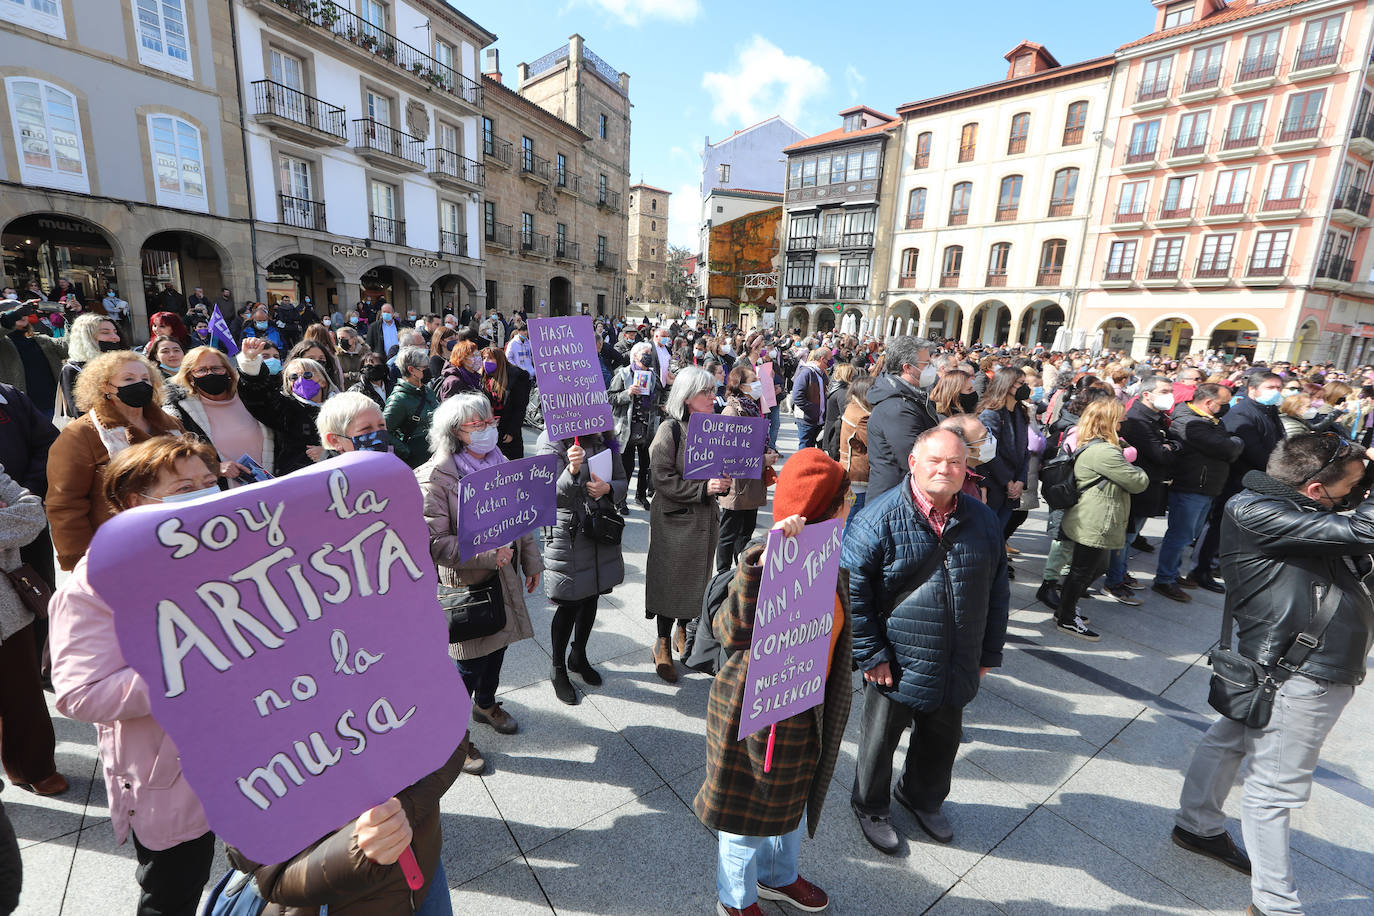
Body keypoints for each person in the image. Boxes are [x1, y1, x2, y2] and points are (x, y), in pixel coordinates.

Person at [1173, 434, 1374, 916]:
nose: (1355, 492)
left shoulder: (1288, 504)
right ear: (1313, 491)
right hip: (1299, 667)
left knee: (1229, 738)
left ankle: (1196, 825)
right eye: (1351, 485)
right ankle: (1275, 905)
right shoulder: (1255, 510)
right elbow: (1363, 532)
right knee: (1274, 788)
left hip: (1288, 661)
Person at [49, 435, 221, 916]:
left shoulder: (234, 551)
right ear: (133, 502)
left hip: (258, 757)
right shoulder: (96, 583)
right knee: (173, 895)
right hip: (171, 772)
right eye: (184, 489)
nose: (204, 495)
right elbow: (80, 694)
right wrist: (189, 672)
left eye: (209, 483)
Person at [695, 450, 854, 916]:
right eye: (844, 499)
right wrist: (761, 562)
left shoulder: (828, 554)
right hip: (756, 712)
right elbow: (730, 629)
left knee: (792, 806)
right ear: (827, 508)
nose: (851, 506)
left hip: (808, 708)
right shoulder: (771, 565)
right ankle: (736, 899)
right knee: (744, 820)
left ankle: (779, 878)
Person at [844, 427, 1008, 853]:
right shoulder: (877, 518)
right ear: (913, 463)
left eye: (955, 462)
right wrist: (871, 655)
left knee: (942, 739)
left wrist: (988, 650)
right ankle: (871, 804)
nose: (946, 469)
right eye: (935, 460)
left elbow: (997, 590)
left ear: (966, 467)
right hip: (895, 659)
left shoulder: (983, 519)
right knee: (880, 741)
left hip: (957, 655)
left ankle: (921, 797)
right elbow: (853, 595)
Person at [417, 394, 542, 775]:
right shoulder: (435, 477)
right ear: (455, 432)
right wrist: (491, 554)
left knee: (499, 648)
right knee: (467, 666)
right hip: (468, 584)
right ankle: (456, 739)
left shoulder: (501, 463)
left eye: (490, 422)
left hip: (505, 578)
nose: (489, 430)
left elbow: (523, 519)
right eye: (478, 425)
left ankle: (486, 704)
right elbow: (435, 543)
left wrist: (532, 562)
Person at [45, 351, 183, 570]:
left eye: (146, 379)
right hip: (120, 552)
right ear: (105, 386)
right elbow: (65, 505)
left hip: (181, 540)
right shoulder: (80, 434)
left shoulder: (172, 425)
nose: (141, 384)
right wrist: (83, 562)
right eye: (128, 379)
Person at [645, 366, 731, 683]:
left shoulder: (714, 428)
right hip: (675, 521)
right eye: (705, 392)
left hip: (705, 520)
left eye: (713, 390)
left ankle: (684, 631)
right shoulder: (671, 430)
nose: (713, 396)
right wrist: (701, 489)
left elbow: (720, 473)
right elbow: (661, 477)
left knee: (696, 581)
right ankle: (662, 643)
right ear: (688, 397)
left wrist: (723, 482)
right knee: (670, 582)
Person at [536, 421, 627, 705]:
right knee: (570, 601)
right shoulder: (552, 442)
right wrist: (572, 471)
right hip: (570, 533)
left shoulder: (605, 440)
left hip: (599, 529)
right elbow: (548, 494)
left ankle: (579, 655)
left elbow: (623, 479)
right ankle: (557, 667)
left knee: (592, 595)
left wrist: (608, 489)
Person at [1053, 397, 1149, 640]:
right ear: (1109, 421)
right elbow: (1138, 482)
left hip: (1092, 517)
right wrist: (1140, 471)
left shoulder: (1097, 444)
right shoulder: (1104, 451)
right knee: (1083, 570)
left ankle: (1065, 607)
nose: (1125, 421)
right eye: (1120, 417)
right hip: (1094, 519)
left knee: (1092, 566)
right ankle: (1066, 617)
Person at [1186, 371, 1286, 594]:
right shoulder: (1243, 414)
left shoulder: (1269, 411)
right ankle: (1200, 569)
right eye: (1271, 387)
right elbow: (1253, 452)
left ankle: (1213, 565)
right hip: (1237, 480)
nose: (1276, 392)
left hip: (1253, 481)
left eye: (1279, 387)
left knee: (1228, 528)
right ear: (1253, 390)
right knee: (1217, 526)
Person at [0, 467, 64, 796]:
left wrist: (12, 513)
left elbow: (32, 513)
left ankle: (34, 767)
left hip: (6, 607)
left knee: (23, 692)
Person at [1152, 384, 1244, 603]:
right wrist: (1234, 444)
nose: (1227, 408)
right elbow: (1226, 448)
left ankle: (1172, 573)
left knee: (1188, 534)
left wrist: (1231, 445)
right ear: (1209, 403)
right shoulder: (1188, 421)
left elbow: (1227, 448)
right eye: (1224, 404)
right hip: (1191, 485)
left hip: (1207, 486)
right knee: (1180, 535)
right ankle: (1164, 579)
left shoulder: (1214, 421)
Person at [1105, 374, 1177, 604]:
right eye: (1165, 391)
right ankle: (1114, 580)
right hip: (1138, 486)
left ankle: (1120, 573)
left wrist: (1170, 445)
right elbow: (1159, 454)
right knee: (1126, 537)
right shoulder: (1137, 419)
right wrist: (1172, 447)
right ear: (1147, 394)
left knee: (1130, 535)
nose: (1170, 396)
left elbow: (1168, 447)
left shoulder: (1155, 417)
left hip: (1149, 484)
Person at [164, 346, 276, 485]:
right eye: (201, 370)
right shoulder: (182, 410)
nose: (210, 374)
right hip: (223, 495)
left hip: (271, 489)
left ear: (228, 371)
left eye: (216, 368)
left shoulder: (249, 397)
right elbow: (178, 453)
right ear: (190, 376)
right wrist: (214, 467)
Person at [715, 365, 779, 572]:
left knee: (746, 532)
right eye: (753, 381)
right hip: (737, 483)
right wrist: (763, 460)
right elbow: (729, 455)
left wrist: (767, 451)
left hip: (753, 481)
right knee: (728, 533)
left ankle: (742, 571)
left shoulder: (754, 409)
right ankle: (723, 574)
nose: (758, 384)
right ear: (741, 386)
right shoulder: (732, 411)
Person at [234, 337, 330, 473]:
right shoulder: (287, 408)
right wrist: (250, 364)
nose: (300, 381)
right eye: (293, 377)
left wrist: (329, 454)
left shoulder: (341, 407)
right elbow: (260, 398)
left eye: (307, 375)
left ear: (323, 382)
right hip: (298, 481)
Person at [865, 336, 937, 499]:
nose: (932, 367)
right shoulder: (897, 407)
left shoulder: (910, 396)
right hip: (894, 499)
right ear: (908, 368)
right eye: (926, 364)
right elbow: (912, 457)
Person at [975, 367, 1031, 532]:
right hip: (995, 484)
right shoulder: (991, 414)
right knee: (987, 534)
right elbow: (989, 453)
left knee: (999, 533)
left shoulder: (1021, 412)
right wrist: (1008, 482)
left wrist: (1021, 480)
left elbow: (1025, 450)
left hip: (1012, 486)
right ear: (1007, 385)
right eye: (1021, 383)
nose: (1025, 387)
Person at [608, 341, 662, 512]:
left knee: (646, 465)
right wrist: (627, 393)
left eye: (650, 352)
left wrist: (661, 405)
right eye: (645, 352)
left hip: (647, 428)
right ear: (636, 355)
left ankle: (641, 495)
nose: (648, 355)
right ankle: (621, 500)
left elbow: (661, 395)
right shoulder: (623, 374)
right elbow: (610, 397)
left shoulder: (653, 376)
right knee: (626, 466)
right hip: (627, 428)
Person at [0, 302, 65, 417]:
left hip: (50, 405)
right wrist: (14, 315)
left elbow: (71, 347)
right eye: (14, 311)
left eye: (24, 312)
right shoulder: (3, 344)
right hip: (18, 409)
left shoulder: (41, 339)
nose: (21, 315)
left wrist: (70, 317)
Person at [384, 345, 439, 468]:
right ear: (411, 370)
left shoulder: (427, 391)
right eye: (424, 368)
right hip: (417, 462)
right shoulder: (398, 399)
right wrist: (407, 452)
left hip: (435, 454)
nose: (428, 370)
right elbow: (383, 431)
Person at [58, 313, 123, 417]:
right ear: (86, 337)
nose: (115, 337)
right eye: (105, 332)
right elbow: (80, 412)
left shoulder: (122, 363)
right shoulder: (73, 369)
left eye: (115, 332)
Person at [481, 347, 531, 460]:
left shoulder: (516, 377)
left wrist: (511, 431)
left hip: (507, 431)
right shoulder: (484, 377)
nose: (486, 362)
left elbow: (520, 408)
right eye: (484, 358)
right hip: (490, 431)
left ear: (499, 360)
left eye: (490, 358)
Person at [838, 374, 875, 518]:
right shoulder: (862, 416)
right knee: (853, 518)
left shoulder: (854, 407)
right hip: (858, 473)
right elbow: (874, 444)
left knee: (850, 517)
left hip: (851, 469)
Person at [315, 390, 391, 458]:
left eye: (381, 425)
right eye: (366, 428)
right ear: (335, 441)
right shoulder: (332, 473)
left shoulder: (390, 464)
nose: (378, 434)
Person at [791, 346, 830, 449]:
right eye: (829, 360)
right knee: (805, 450)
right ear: (822, 359)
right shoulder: (806, 372)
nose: (831, 362)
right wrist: (813, 410)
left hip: (817, 420)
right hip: (807, 420)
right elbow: (797, 396)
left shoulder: (822, 374)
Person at [820, 360, 856, 458]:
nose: (853, 376)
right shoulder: (842, 392)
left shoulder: (835, 388)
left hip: (831, 430)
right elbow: (845, 415)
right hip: (836, 434)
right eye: (852, 374)